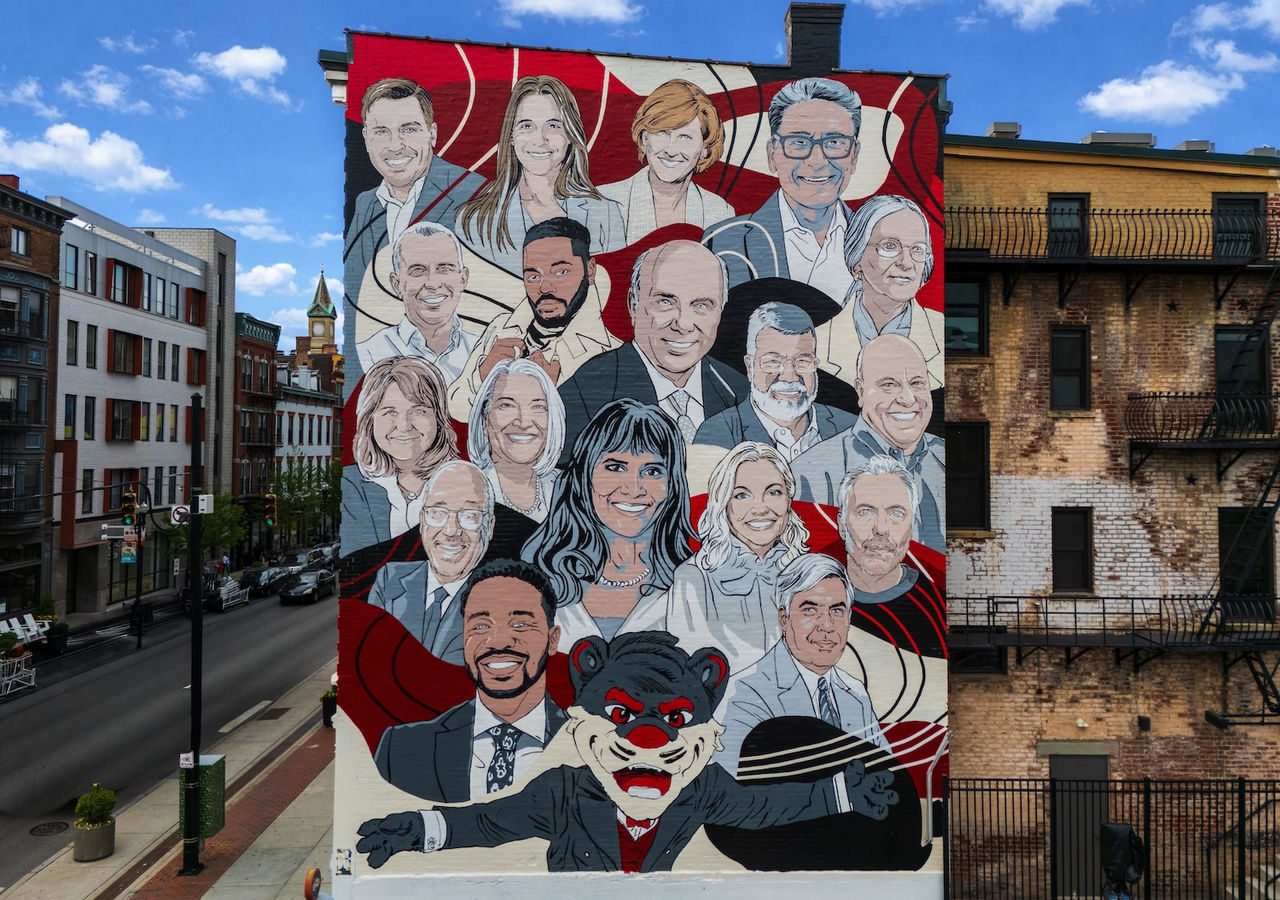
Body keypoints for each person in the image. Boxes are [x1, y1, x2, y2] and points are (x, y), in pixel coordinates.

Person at [372, 558, 566, 803]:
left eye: (520, 624)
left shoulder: (590, 747)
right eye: (481, 626)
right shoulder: (401, 750)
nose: (498, 641)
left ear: (552, 640)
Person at [522, 398, 693, 648]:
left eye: (652, 471)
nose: (634, 488)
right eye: (615, 467)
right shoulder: (536, 576)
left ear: (673, 485)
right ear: (584, 476)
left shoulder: (692, 582)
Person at [557, 240, 748, 458]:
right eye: (666, 302)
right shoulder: (583, 394)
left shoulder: (741, 392)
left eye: (701, 305)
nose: (683, 324)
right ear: (633, 305)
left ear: (720, 312)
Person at [716, 552, 890, 780]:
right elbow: (730, 790)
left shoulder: (855, 694)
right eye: (810, 610)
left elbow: (888, 778)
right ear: (784, 619)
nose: (827, 625)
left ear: (849, 618)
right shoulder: (743, 694)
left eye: (837, 611)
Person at [703, 77, 861, 304]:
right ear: (772, 155)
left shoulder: (875, 241)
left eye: (834, 142)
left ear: (854, 156)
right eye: (799, 142)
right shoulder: (722, 242)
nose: (817, 161)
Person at [448, 217, 619, 419]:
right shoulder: (500, 327)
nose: (545, 288)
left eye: (561, 272)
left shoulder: (611, 353)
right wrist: (483, 376)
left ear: (590, 270)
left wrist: (549, 395)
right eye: (533, 277)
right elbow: (457, 409)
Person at [454, 74, 624, 273]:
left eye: (553, 126)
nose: (540, 140)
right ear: (511, 136)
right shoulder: (474, 221)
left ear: (570, 135)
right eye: (526, 126)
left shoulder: (605, 214)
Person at [791, 333, 944, 551]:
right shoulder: (808, 474)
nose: (908, 398)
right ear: (861, 392)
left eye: (917, 383)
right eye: (889, 385)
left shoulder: (944, 458)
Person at [667, 442, 810, 673]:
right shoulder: (693, 576)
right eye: (742, 495)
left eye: (773, 492)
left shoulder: (807, 572)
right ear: (723, 504)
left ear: (788, 500)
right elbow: (689, 670)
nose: (760, 508)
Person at [344, 78, 484, 309]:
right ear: (366, 138)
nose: (395, 145)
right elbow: (356, 291)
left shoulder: (474, 194)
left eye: (408, 129)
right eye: (381, 132)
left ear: (432, 134)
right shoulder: (365, 204)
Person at [693, 301, 855, 461]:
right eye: (773, 362)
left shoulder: (850, 428)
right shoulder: (717, 435)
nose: (789, 377)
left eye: (803, 361)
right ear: (750, 367)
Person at [366, 461, 494, 661]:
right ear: (422, 520)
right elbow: (372, 654)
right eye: (438, 513)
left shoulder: (499, 599)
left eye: (470, 515)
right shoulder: (390, 580)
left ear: (490, 526)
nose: (451, 530)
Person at [815, 194, 944, 390]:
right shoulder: (815, 343)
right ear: (857, 258)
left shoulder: (941, 331)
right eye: (890, 246)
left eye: (918, 249)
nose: (906, 263)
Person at [341, 356, 460, 553]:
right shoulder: (351, 485)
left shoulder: (464, 483)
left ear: (439, 418)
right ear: (369, 420)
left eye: (418, 411)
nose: (404, 426)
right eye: (390, 412)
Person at [598, 79, 735, 244]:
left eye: (685, 137)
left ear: (704, 149)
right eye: (663, 133)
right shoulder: (603, 201)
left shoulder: (720, 212)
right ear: (645, 138)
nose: (671, 150)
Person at [838, 456, 946, 658]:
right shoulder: (813, 600)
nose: (881, 529)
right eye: (865, 512)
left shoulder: (937, 605)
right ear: (842, 525)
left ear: (911, 527)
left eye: (896, 514)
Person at [354, 221, 477, 384]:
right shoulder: (369, 354)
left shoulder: (482, 354)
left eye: (444, 269)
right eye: (418, 270)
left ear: (463, 279)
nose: (432, 283)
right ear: (396, 285)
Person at [467, 357, 565, 522]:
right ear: (484, 420)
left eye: (538, 407)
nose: (523, 422)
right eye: (507, 405)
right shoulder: (467, 490)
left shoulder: (570, 488)